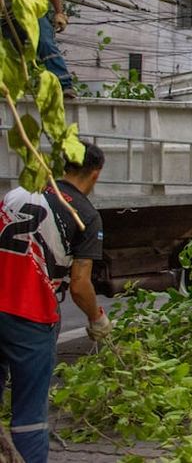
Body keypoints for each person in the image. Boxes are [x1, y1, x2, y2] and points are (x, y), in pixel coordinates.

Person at [0, 142, 110, 463]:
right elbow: (79, 285)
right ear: (96, 173)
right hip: (30, 313)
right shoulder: (84, 215)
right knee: (30, 412)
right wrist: (97, 318)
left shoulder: (17, 193)